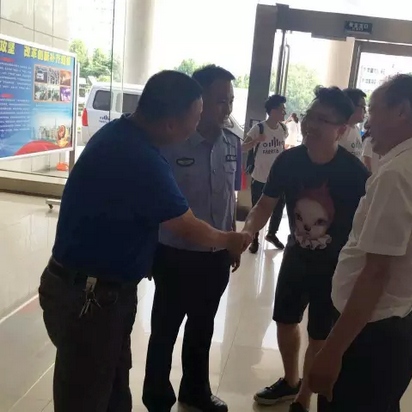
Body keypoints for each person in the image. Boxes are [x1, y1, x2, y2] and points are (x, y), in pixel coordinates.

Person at [38, 71, 249, 412]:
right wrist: (229, 239)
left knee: (112, 390)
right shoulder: (139, 156)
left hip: (104, 292)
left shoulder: (124, 134)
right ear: (171, 123)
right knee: (87, 396)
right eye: (195, 116)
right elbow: (185, 224)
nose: (198, 124)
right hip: (89, 298)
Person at [308, 75, 412, 411]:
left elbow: (376, 273)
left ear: (401, 112)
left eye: (373, 111)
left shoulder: (398, 174)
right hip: (398, 321)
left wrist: (332, 351)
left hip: (371, 334)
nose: (367, 122)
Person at [243, 87, 370, 412]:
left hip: (335, 268)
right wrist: (246, 232)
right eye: (311, 116)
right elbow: (265, 205)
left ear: (341, 130)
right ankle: (290, 380)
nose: (311, 124)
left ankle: (303, 398)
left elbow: (367, 227)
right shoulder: (289, 161)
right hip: (296, 258)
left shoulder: (355, 174)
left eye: (322, 120)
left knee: (319, 336)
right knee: (285, 321)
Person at [142, 65, 241, 412]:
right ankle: (157, 397)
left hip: (215, 256)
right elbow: (154, 202)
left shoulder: (233, 143)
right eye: (219, 101)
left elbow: (230, 199)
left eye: (230, 100)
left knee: (203, 327)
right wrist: (149, 251)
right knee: (165, 329)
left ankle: (195, 391)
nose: (227, 108)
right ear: (198, 100)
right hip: (175, 254)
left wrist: (231, 243)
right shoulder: (170, 143)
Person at [243, 94, 289, 253]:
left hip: (278, 177)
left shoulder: (283, 129)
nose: (284, 112)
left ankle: (272, 234)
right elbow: (243, 147)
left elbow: (281, 147)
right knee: (257, 208)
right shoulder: (259, 128)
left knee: (279, 208)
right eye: (282, 109)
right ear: (273, 111)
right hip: (260, 177)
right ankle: (254, 238)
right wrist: (256, 140)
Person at [338, 88, 366, 159]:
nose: (365, 111)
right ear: (352, 105)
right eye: (363, 107)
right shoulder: (338, 130)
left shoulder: (356, 129)